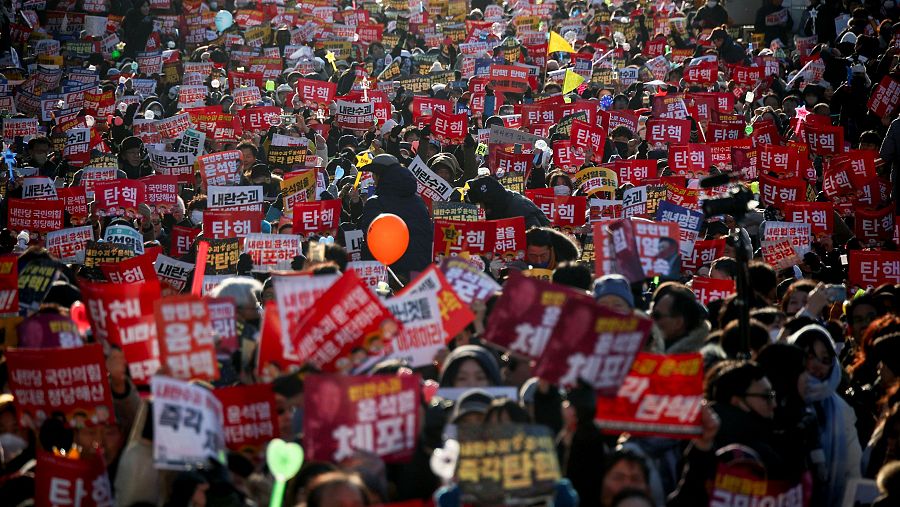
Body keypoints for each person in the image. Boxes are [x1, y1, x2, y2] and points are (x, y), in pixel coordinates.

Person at [357, 154, 433, 282]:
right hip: (420, 273)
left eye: (374, 175)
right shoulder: (418, 201)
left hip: (391, 276)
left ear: (379, 176)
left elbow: (370, 237)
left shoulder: (376, 202)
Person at [464, 175, 550, 228]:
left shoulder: (518, 210)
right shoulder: (503, 204)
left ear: (490, 202)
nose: (480, 209)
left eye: (480, 204)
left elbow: (538, 241)